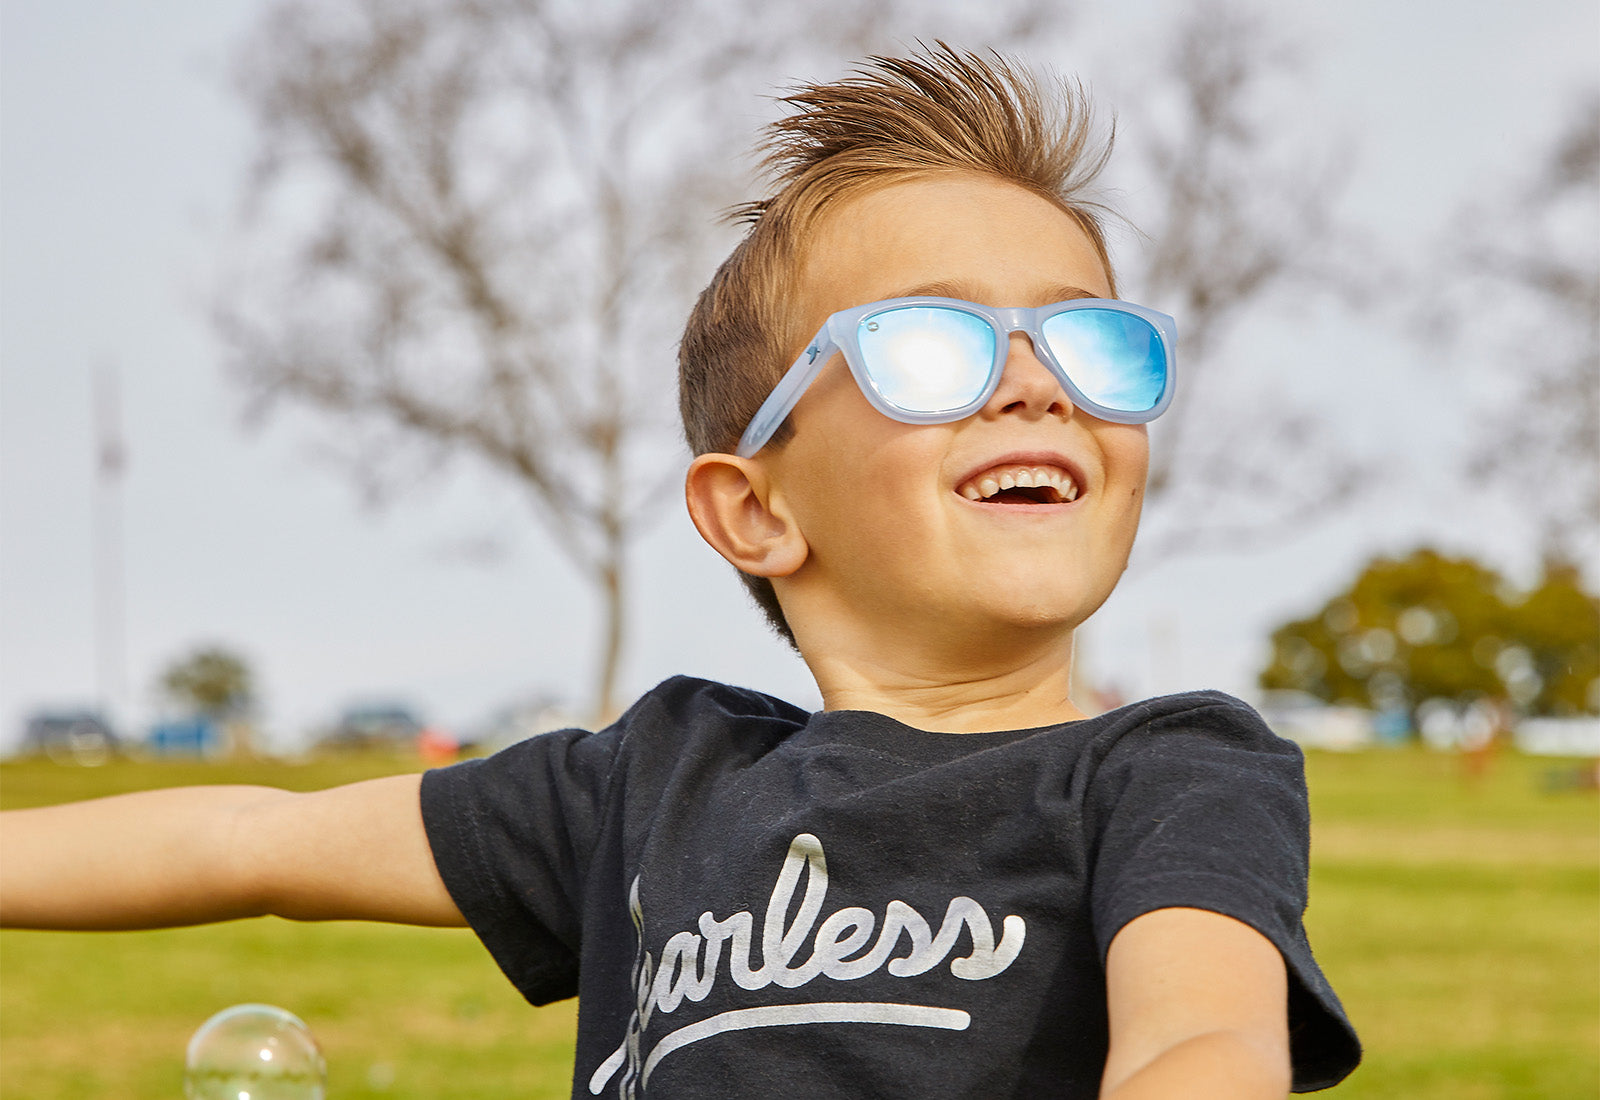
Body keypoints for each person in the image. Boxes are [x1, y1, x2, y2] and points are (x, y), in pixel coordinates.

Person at [0, 45, 1360, 1098]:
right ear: (753, 509)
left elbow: (1201, 1042)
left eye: (1092, 347)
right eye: (935, 347)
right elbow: (251, 843)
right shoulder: (653, 786)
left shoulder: (1176, 775)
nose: (1038, 388)